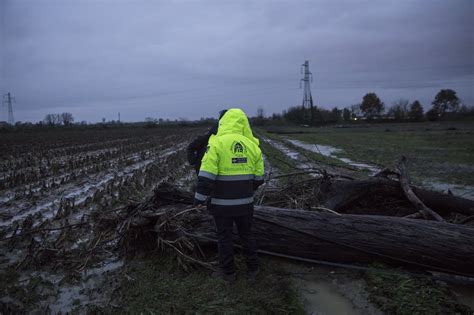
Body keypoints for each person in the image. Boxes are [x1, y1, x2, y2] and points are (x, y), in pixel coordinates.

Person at [193, 108, 264, 282]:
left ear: (223, 122)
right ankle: (253, 270)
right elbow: (259, 178)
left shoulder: (216, 144)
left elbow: (206, 176)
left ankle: (228, 273)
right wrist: (246, 190)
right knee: (246, 235)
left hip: (221, 205)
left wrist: (199, 199)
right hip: (246, 204)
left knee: (224, 238)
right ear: (243, 123)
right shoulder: (252, 145)